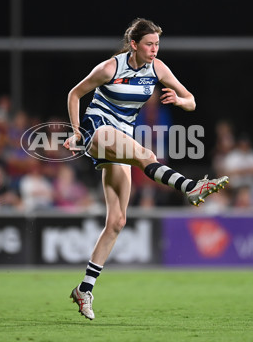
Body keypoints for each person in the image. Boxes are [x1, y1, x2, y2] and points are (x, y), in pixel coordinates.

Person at [63, 18, 229, 320]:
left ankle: (83, 289)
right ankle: (190, 188)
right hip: (97, 130)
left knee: (117, 221)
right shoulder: (109, 68)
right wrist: (76, 132)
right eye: (150, 45)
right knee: (144, 154)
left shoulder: (158, 69)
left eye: (157, 45)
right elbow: (75, 94)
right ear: (135, 44)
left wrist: (179, 100)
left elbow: (191, 101)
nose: (154, 50)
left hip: (121, 138)